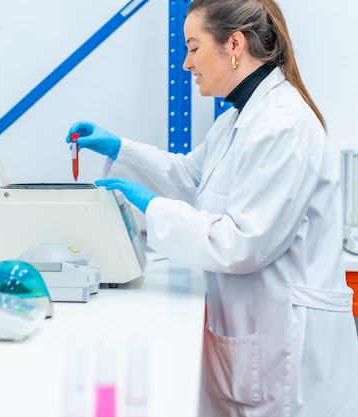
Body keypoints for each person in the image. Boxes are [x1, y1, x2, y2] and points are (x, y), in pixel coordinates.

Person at [66, 0, 358, 415]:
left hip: (288, 348)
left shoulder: (281, 125)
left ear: (234, 44)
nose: (186, 63)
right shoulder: (237, 121)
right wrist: (121, 148)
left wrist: (152, 208)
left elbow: (241, 244)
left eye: (193, 47)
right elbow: (190, 178)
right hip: (255, 336)